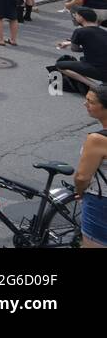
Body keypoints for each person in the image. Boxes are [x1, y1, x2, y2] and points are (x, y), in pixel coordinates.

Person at [73, 83, 107, 248]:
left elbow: (82, 177)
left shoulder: (97, 140)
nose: (85, 104)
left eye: (91, 102)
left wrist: (79, 193)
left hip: (101, 202)